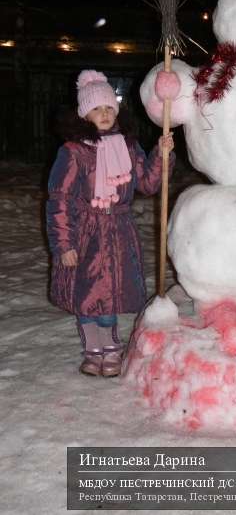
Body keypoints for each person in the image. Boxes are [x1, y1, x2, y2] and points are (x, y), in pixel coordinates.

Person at [46, 70, 174, 377]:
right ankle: (93, 351)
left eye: (108, 108)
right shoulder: (73, 151)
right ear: (84, 114)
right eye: (96, 109)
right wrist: (63, 243)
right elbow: (59, 199)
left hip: (118, 231)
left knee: (110, 296)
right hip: (85, 233)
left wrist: (161, 155)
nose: (103, 114)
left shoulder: (128, 147)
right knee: (87, 298)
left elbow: (148, 183)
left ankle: (111, 350)